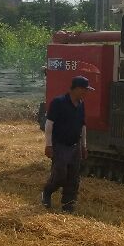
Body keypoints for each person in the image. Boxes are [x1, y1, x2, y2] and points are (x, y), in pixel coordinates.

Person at [42, 75, 93, 212]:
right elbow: (49, 124)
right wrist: (48, 145)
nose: (86, 93)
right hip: (60, 144)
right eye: (85, 90)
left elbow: (82, 126)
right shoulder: (58, 102)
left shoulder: (81, 104)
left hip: (75, 145)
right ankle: (47, 192)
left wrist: (84, 146)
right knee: (60, 175)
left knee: (73, 177)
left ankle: (68, 204)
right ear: (76, 89)